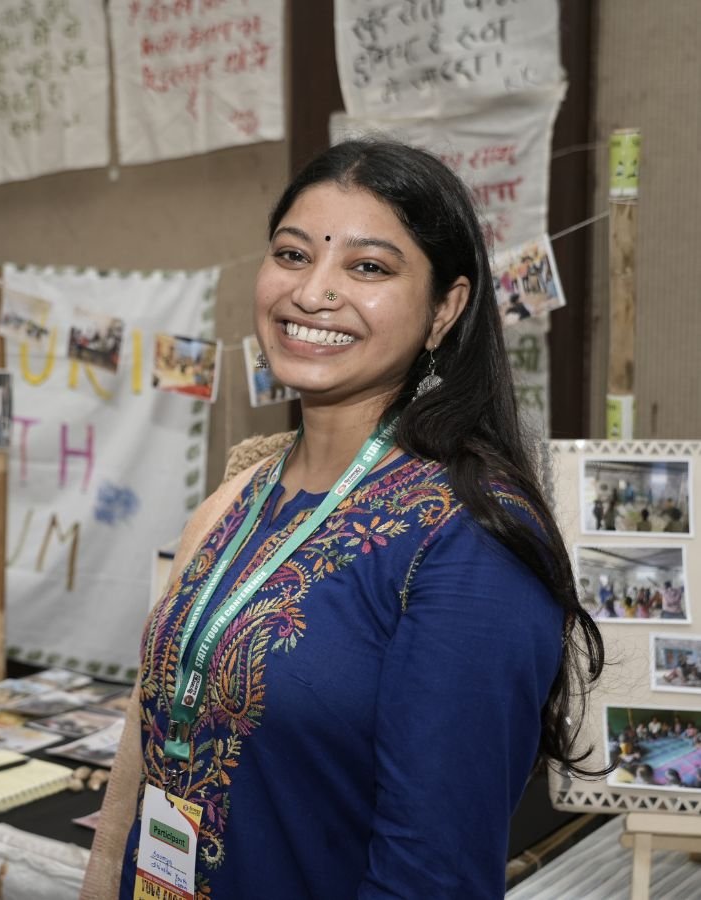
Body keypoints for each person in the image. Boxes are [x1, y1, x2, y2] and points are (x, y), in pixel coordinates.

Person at [83, 139, 605, 899]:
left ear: (445, 309)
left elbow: (432, 877)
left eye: (368, 267)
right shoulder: (242, 495)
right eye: (293, 255)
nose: (313, 291)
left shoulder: (470, 541)